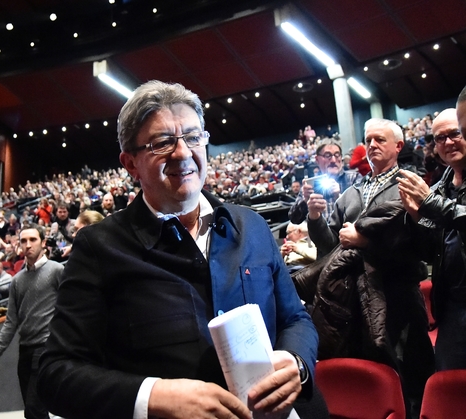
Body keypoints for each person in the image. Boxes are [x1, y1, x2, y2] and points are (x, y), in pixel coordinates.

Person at [38, 81, 324, 419]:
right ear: (131, 164)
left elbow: (296, 319)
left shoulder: (253, 226)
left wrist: (296, 361)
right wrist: (154, 395)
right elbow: (56, 374)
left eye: (192, 137)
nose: (183, 153)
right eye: (162, 142)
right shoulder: (99, 247)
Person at [299, 118, 434, 417]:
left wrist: (364, 242)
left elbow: (419, 246)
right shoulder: (353, 191)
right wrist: (316, 217)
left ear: (398, 146)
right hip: (356, 298)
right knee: (371, 372)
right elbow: (330, 246)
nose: (371, 145)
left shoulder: (411, 183)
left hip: (397, 293)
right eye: (368, 140)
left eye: (379, 140)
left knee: (407, 373)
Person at [397, 104, 466, 371]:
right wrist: (416, 217)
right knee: (452, 391)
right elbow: (429, 252)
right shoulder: (438, 188)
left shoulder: (432, 195)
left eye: (454, 133)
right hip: (450, 307)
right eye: (440, 138)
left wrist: (428, 203)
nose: (448, 142)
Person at [0, 225, 63, 419]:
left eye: (33, 240)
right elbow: (11, 323)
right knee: (34, 410)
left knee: (34, 410)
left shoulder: (56, 270)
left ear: (43, 243)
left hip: (46, 349)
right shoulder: (17, 280)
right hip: (25, 350)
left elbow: (70, 307)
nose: (28, 245)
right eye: (24, 241)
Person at [288, 138, 362, 226]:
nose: (333, 160)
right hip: (319, 236)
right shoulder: (310, 184)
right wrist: (305, 202)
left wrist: (340, 198)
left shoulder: (354, 178)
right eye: (328, 155)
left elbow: (362, 212)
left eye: (337, 155)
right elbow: (294, 219)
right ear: (317, 159)